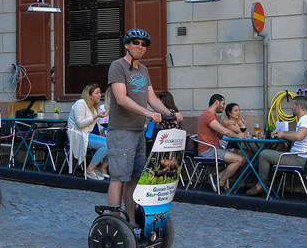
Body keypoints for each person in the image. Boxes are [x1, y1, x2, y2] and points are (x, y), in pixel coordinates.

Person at [107, 28, 182, 226]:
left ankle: (131, 221)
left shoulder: (144, 70)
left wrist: (170, 113)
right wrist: (148, 114)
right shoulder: (117, 66)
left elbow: (152, 99)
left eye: (143, 44)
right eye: (135, 43)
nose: (139, 46)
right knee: (118, 178)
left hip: (138, 132)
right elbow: (121, 98)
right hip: (121, 131)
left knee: (134, 178)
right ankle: (115, 223)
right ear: (127, 45)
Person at [246, 95, 307, 196]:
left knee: (264, 154)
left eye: (293, 105)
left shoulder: (306, 120)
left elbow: (299, 136)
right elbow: (298, 133)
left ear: (298, 107)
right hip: (305, 159)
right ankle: (266, 184)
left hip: (299, 159)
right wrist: (283, 133)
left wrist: (283, 134)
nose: (291, 108)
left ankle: (261, 185)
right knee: (268, 154)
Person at [197, 94, 245, 192]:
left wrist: (232, 126)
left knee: (243, 158)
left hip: (215, 148)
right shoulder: (208, 115)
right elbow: (225, 132)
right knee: (239, 160)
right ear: (216, 102)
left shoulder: (213, 116)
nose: (224, 107)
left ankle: (217, 176)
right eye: (223, 104)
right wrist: (237, 135)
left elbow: (220, 135)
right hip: (208, 151)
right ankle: (221, 181)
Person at [68, 83, 109, 180]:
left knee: (114, 143)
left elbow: (95, 125)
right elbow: (80, 124)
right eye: (97, 93)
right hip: (78, 135)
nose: (100, 95)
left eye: (100, 93)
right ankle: (90, 170)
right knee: (108, 145)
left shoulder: (93, 108)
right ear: (89, 95)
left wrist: (101, 132)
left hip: (87, 135)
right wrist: (96, 116)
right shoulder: (80, 103)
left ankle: (102, 169)